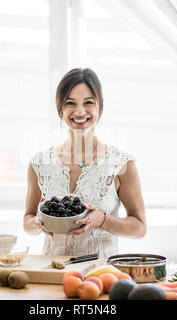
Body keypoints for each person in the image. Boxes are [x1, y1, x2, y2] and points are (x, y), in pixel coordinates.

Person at [23, 68, 146, 259]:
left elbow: (139, 228)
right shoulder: (39, 163)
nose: (80, 112)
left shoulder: (121, 164)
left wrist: (103, 220)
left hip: (100, 277)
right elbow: (28, 221)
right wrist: (36, 223)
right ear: (60, 109)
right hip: (51, 274)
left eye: (88, 103)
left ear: (100, 107)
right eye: (70, 103)